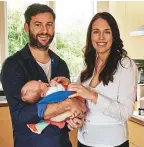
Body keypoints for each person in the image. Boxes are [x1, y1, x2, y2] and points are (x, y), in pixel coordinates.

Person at [1, 3, 86, 147]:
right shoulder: (13, 65)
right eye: (38, 24)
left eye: (49, 24)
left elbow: (67, 107)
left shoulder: (61, 64)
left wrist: (73, 120)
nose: (44, 30)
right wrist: (67, 105)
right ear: (27, 28)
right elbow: (20, 114)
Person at [57, 12, 138, 147]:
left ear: (114, 36)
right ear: (90, 36)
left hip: (112, 143)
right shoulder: (89, 63)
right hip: (84, 141)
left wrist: (93, 95)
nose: (101, 37)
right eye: (96, 32)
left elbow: (126, 112)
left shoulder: (125, 65)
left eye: (106, 32)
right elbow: (80, 100)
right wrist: (77, 116)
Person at [20, 79, 85, 134]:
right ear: (42, 94)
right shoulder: (50, 92)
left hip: (59, 125)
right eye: (39, 83)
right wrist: (57, 84)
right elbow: (61, 92)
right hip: (67, 113)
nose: (40, 80)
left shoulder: (41, 101)